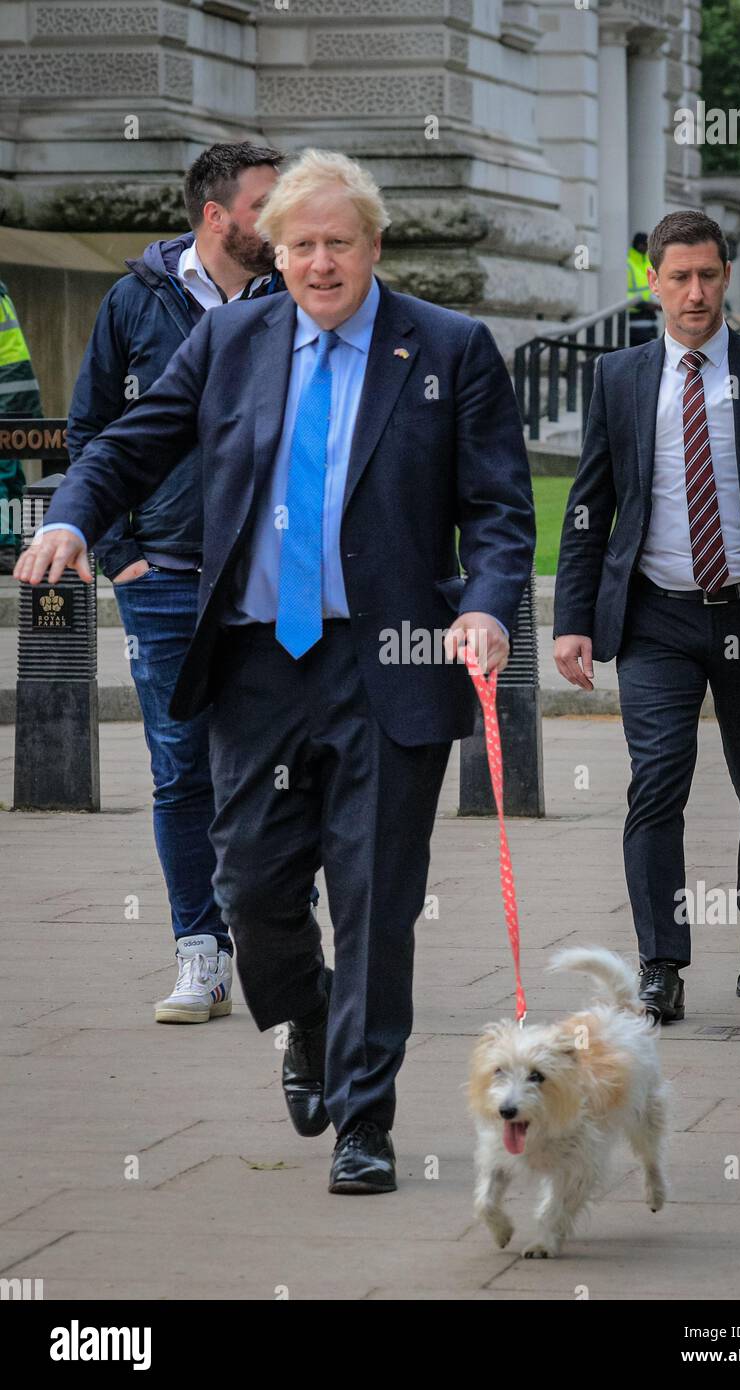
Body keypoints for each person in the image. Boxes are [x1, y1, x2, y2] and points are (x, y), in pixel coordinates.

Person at [17, 148, 535, 1193]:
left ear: (372, 246)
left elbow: (496, 507)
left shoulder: (447, 346)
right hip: (258, 660)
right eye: (299, 244)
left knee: (377, 897)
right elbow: (132, 443)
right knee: (252, 888)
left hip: (383, 663)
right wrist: (73, 512)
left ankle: (363, 1120)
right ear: (275, 251)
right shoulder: (230, 338)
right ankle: (302, 1015)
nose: (319, 263)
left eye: (338, 243)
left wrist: (481, 607)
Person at [553, 209, 740, 1024]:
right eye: (678, 276)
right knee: (656, 785)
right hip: (655, 619)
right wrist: (573, 619)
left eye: (709, 275)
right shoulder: (620, 377)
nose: (695, 292)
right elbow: (590, 506)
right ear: (653, 281)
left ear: (725, 276)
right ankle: (660, 963)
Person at [55, 142, 285, 1026]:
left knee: (277, 765)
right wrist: (119, 551)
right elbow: (93, 433)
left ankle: (279, 936)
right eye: (267, 202)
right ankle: (201, 950)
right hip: (165, 575)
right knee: (182, 770)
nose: (288, 214)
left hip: (270, 574)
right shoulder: (134, 301)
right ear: (216, 215)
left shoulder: (297, 297)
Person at [0, 278, 43, 573]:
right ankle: (16, 542)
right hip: (18, 391)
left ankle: (4, 547)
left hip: (5, 389)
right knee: (10, 470)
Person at [626, 232, 660, 346]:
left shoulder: (648, 263)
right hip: (635, 319)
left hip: (650, 319)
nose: (648, 248)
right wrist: (644, 304)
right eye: (646, 245)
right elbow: (624, 294)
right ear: (640, 245)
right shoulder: (628, 264)